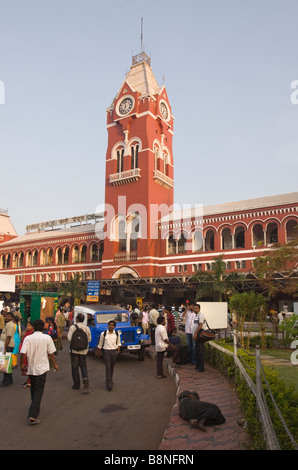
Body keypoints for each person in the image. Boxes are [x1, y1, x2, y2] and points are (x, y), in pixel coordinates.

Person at [20, 319, 59, 425]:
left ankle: (34, 406)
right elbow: (51, 353)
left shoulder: (28, 338)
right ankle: (33, 414)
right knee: (39, 390)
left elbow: (23, 352)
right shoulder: (47, 338)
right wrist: (55, 364)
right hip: (42, 368)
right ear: (43, 327)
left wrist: (21, 364)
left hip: (31, 367)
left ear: (33, 327)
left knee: (33, 389)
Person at [67, 313, 91, 390]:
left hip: (74, 350)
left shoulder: (73, 327)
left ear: (76, 319)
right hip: (84, 351)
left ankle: (76, 384)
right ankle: (85, 377)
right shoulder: (86, 328)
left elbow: (69, 338)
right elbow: (89, 339)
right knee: (83, 365)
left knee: (75, 367)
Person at [96, 320, 121, 391]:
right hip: (106, 352)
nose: (111, 326)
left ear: (114, 326)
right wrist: (99, 351)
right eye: (109, 325)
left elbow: (118, 343)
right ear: (107, 325)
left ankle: (110, 379)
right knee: (108, 367)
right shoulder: (103, 334)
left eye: (112, 325)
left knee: (112, 367)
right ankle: (109, 384)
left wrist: (118, 350)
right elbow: (100, 344)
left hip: (114, 351)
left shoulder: (116, 333)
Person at [0, 312, 15, 386]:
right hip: (5, 345)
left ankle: (7, 380)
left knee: (6, 363)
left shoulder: (11, 325)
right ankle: (8, 379)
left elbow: (8, 337)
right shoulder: (7, 324)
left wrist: (5, 348)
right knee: (6, 362)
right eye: (6, 316)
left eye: (9, 316)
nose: (7, 317)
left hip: (8, 346)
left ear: (12, 317)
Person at [19, 321, 34, 388]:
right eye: (27, 325)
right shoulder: (28, 333)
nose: (27, 327)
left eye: (29, 326)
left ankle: (29, 382)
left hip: (27, 353)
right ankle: (29, 381)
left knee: (29, 367)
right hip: (25, 352)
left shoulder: (31, 334)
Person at [193, 304, 206, 372]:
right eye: (194, 308)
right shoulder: (196, 315)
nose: (195, 309)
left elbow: (200, 325)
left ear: (199, 309)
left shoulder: (201, 316)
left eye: (196, 308)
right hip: (196, 336)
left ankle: (201, 368)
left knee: (200, 352)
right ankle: (197, 366)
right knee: (197, 351)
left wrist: (195, 334)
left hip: (199, 335)